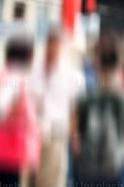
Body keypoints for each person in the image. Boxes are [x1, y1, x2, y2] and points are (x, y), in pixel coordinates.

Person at [72, 31, 124, 187]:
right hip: (116, 166)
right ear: (120, 62)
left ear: (97, 61)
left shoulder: (85, 95)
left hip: (86, 169)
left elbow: (72, 130)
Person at [0, 33, 41, 187]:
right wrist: (11, 112)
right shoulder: (15, 76)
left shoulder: (3, 74)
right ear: (26, 55)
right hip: (9, 155)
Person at [31, 26, 84, 187]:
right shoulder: (35, 66)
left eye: (56, 44)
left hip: (56, 133)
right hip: (31, 133)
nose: (52, 48)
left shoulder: (71, 74)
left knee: (50, 181)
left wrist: (73, 137)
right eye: (50, 43)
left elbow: (76, 111)